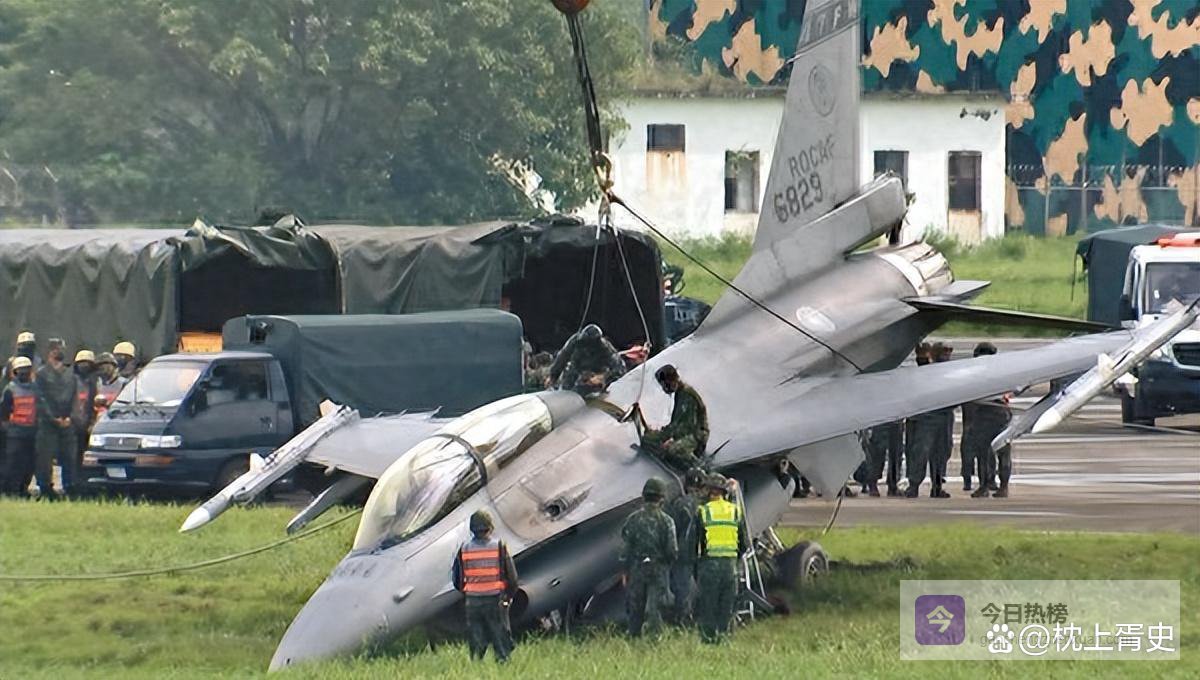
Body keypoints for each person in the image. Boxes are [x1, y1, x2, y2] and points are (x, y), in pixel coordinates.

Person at [452, 510, 519, 663]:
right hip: (495, 600)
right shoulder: (499, 546)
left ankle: (476, 665)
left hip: (473, 601)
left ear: (472, 529)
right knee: (500, 636)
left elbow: (457, 579)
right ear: (490, 527)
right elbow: (512, 577)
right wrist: (509, 596)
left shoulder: (464, 548)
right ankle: (503, 664)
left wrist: (468, 592)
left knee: (476, 637)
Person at [693, 473, 748, 643]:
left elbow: (695, 542)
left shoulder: (703, 512)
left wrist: (697, 566)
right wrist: (734, 558)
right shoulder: (735, 511)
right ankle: (724, 640)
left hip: (710, 565)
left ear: (709, 491)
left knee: (708, 605)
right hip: (730, 567)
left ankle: (708, 640)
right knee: (727, 606)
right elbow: (744, 544)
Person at [620, 477, 677, 638]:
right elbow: (672, 550)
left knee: (635, 607)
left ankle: (634, 637)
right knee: (656, 607)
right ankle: (654, 639)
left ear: (644, 496)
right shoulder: (667, 521)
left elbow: (625, 549)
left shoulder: (632, 519)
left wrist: (625, 570)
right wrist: (666, 564)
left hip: (637, 568)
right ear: (661, 498)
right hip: (658, 568)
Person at [962, 345, 1014, 498]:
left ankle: (984, 487)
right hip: (1001, 413)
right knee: (1003, 452)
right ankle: (1003, 487)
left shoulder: (974, 372)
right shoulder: (1004, 371)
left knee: (983, 453)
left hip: (985, 413)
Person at [640, 364, 709, 472]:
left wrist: (670, 439)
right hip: (683, 431)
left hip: (696, 435)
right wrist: (660, 433)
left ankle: (698, 466)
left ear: (672, 380)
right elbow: (677, 423)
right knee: (648, 438)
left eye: (665, 385)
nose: (664, 388)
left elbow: (687, 427)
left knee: (673, 450)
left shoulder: (687, 395)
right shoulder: (679, 393)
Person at [35, 338, 77, 498]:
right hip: (47, 424)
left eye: (62, 348)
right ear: (51, 351)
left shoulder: (70, 374)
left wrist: (70, 417)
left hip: (67, 423)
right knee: (44, 459)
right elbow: (40, 399)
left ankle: (69, 488)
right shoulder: (41, 374)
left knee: (69, 457)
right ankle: (46, 489)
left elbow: (74, 397)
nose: (61, 351)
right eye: (58, 348)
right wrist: (53, 418)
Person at [665, 468, 704, 624]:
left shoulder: (680, 504)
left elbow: (671, 527)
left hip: (683, 553)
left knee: (682, 588)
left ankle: (683, 619)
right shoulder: (705, 505)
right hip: (703, 552)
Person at [548, 324, 625, 394]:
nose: (585, 346)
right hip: (575, 372)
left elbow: (620, 368)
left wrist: (603, 377)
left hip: (593, 378)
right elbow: (563, 357)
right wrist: (553, 376)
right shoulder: (576, 341)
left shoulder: (605, 348)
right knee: (564, 392)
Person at [1, 357, 39, 496]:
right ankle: (11, 490)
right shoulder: (9, 389)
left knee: (29, 464)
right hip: (15, 434)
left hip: (31, 433)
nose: (24, 373)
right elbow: (3, 412)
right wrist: (8, 429)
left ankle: (23, 489)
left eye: (26, 370)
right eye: (21, 370)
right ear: (15, 372)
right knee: (13, 464)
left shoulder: (35, 389)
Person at [71, 350, 98, 485]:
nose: (84, 366)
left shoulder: (95, 383)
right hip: (73, 425)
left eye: (87, 363)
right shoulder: (71, 381)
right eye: (81, 363)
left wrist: (91, 422)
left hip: (88, 425)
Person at [867, 420, 904, 497]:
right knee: (878, 452)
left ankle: (892, 485)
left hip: (895, 419)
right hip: (881, 420)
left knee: (895, 453)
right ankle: (873, 483)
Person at [92, 353, 127, 418]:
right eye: (99, 367)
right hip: (100, 421)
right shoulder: (96, 384)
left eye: (106, 365)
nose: (102, 368)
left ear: (114, 367)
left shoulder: (124, 383)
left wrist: (107, 404)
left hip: (118, 419)